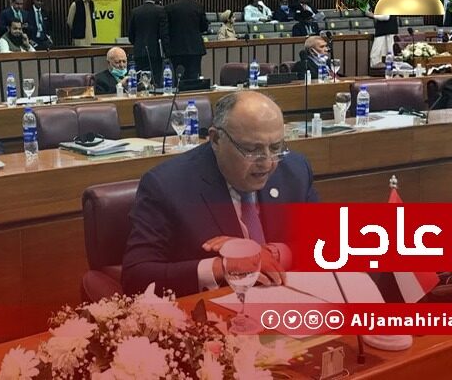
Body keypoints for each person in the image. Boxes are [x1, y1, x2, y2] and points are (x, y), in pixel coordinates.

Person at [122, 91, 318, 296]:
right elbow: (136, 278)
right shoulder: (167, 185)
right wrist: (221, 266)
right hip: (213, 307)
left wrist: (274, 253)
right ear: (216, 139)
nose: (268, 163)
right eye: (252, 149)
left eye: (276, 147)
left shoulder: (294, 171)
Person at [165, 0, 208, 82]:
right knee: (194, 78)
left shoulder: (169, 8)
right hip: (195, 49)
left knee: (178, 78)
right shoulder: (198, 6)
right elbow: (204, 27)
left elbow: (166, 29)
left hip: (176, 49)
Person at [128, 0, 169, 86]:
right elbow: (163, 34)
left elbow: (131, 34)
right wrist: (167, 51)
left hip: (139, 51)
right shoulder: (161, 10)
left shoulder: (135, 11)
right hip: (155, 52)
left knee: (141, 81)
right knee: (155, 80)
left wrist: (137, 43)